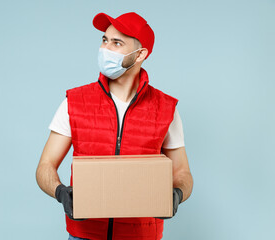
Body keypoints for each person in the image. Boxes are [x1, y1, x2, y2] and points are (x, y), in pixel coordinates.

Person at [36, 12, 193, 240]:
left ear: (140, 55)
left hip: (140, 236)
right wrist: (61, 192)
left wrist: (177, 194)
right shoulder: (75, 101)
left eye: (117, 43)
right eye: (104, 40)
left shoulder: (166, 108)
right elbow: (45, 166)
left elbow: (183, 172)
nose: (106, 49)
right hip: (84, 235)